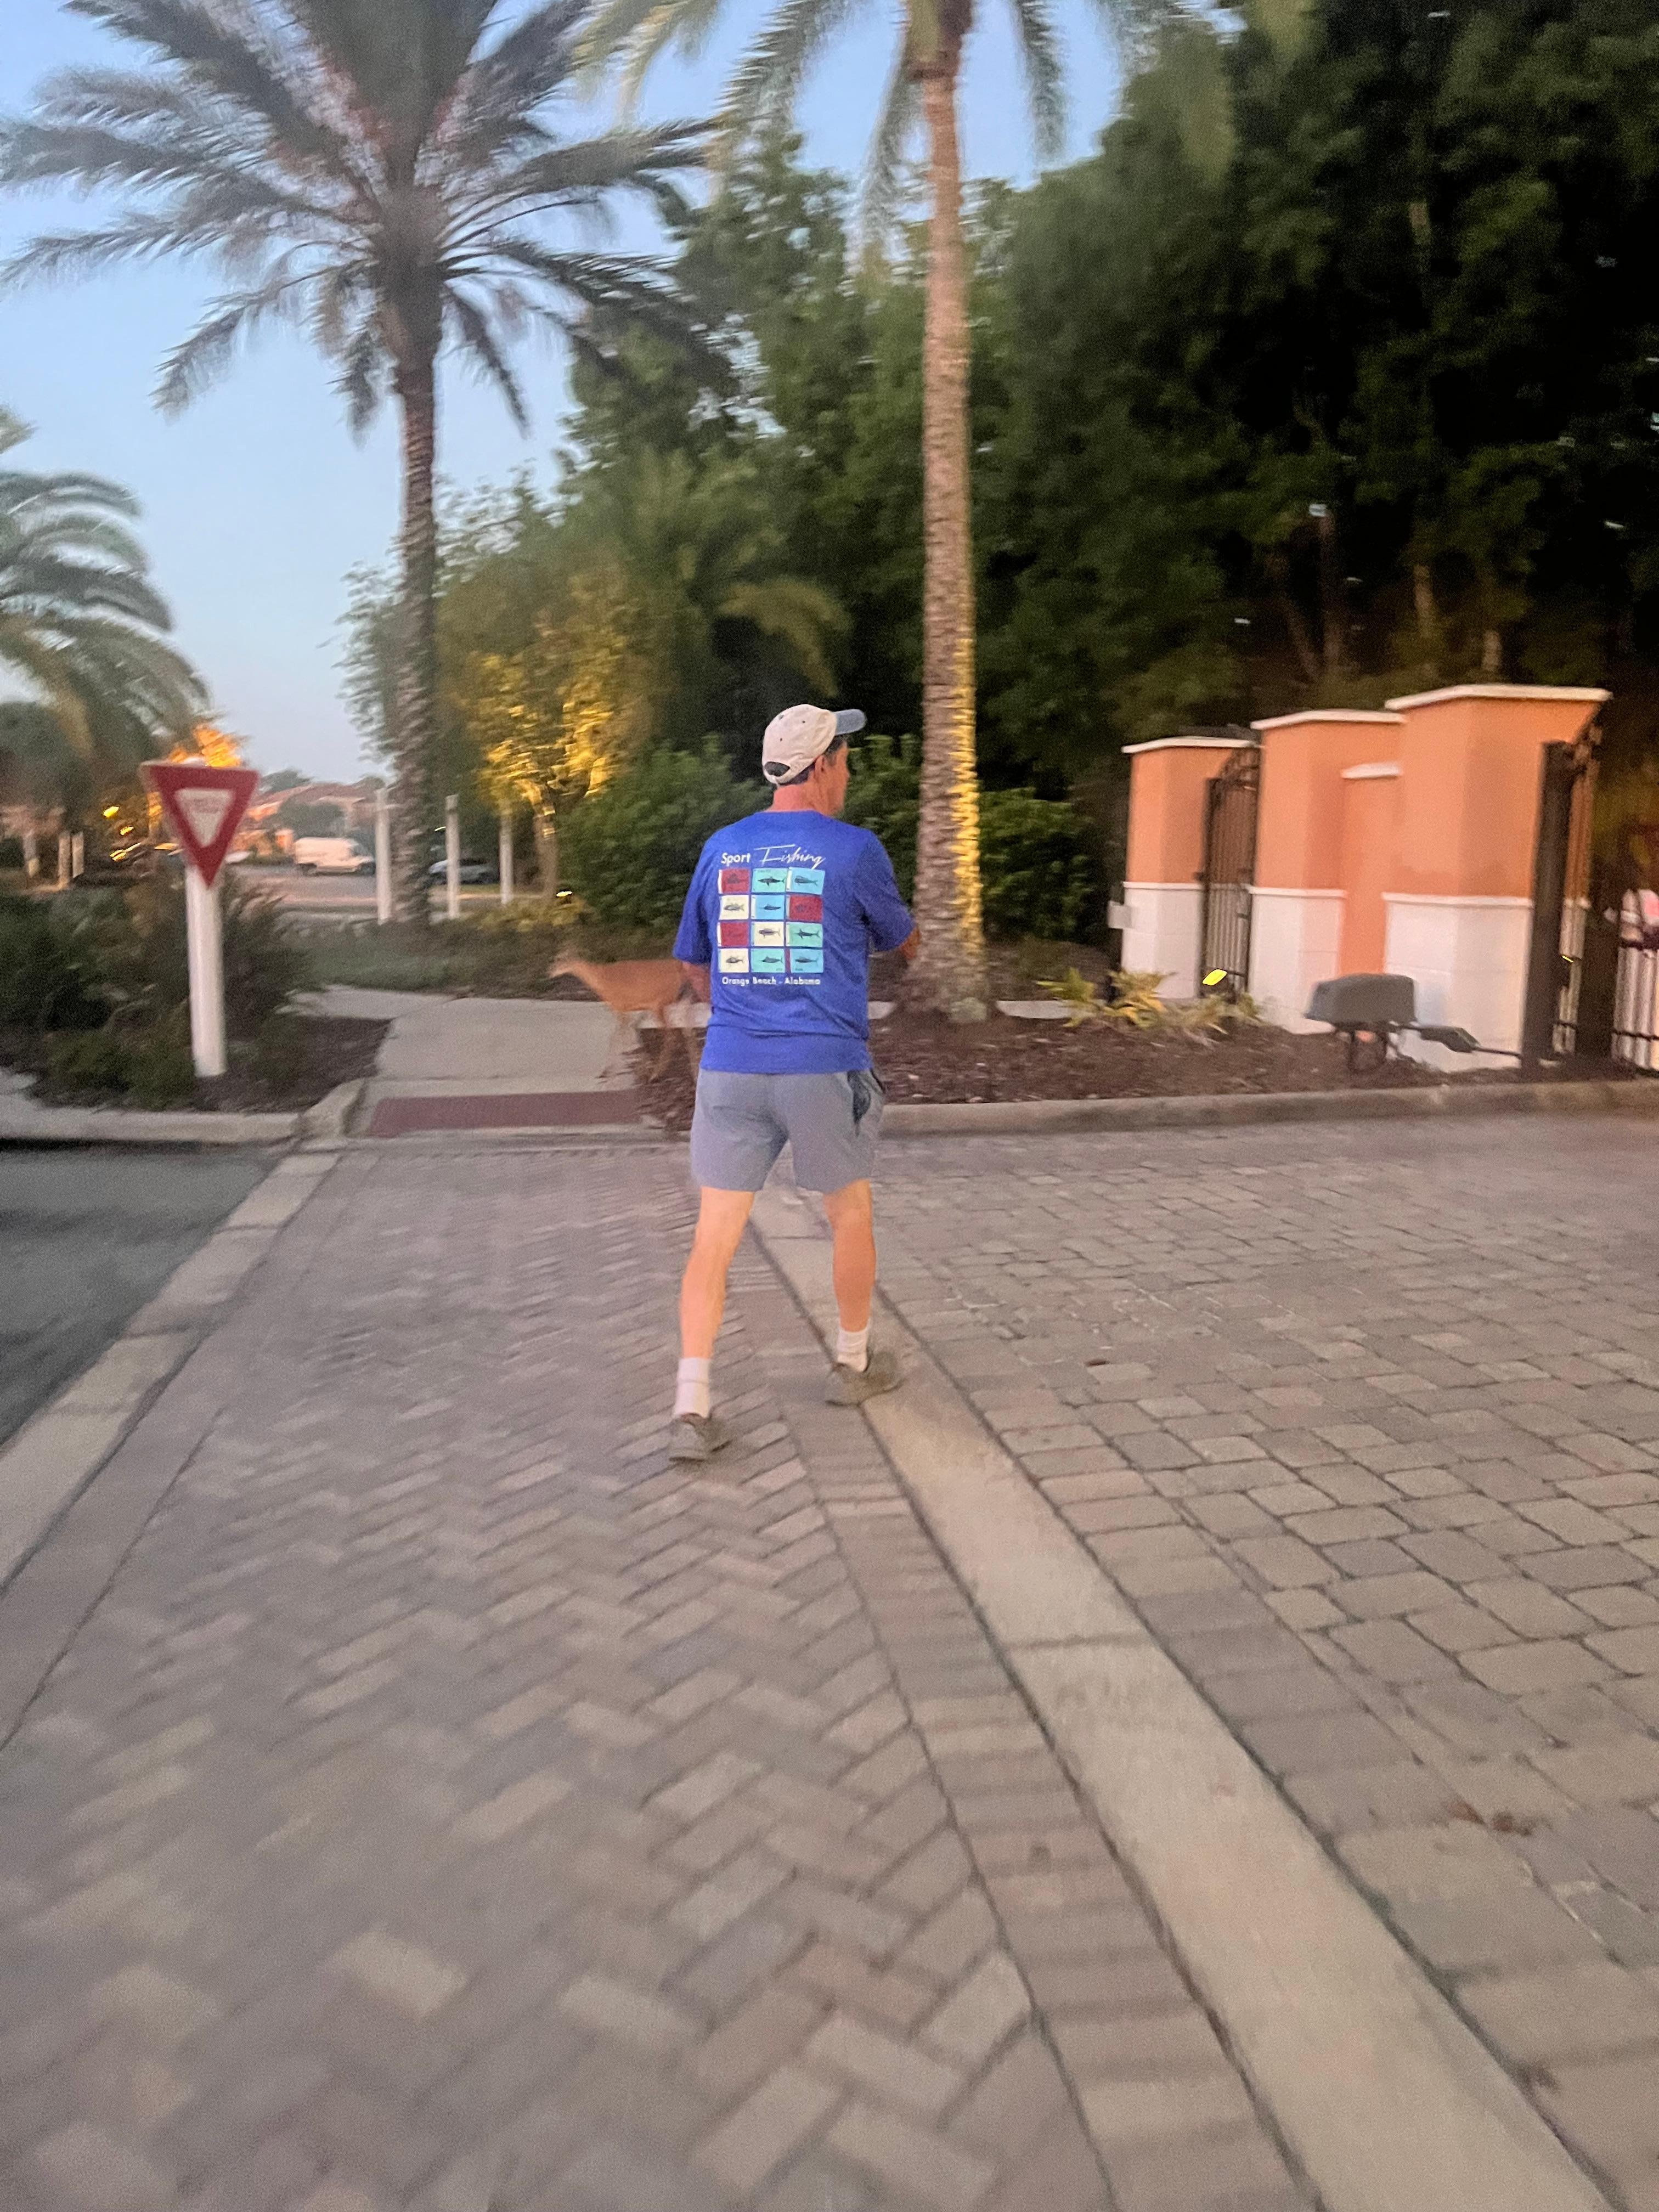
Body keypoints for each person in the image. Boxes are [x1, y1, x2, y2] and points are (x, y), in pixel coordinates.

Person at [667, 703, 918, 1461]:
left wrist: (737, 1013)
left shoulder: (722, 847)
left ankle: (691, 1404)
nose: (849, 770)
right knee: (848, 1214)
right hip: (821, 1066)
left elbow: (693, 961)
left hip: (731, 1068)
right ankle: (852, 1363)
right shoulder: (855, 850)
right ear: (821, 767)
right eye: (845, 757)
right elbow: (905, 943)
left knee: (714, 1236)